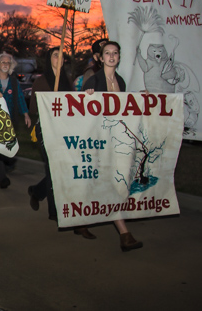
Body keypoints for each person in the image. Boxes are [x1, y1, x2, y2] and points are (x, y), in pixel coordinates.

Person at [82, 41, 143, 251]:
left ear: (119, 57)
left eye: (115, 53)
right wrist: (86, 97)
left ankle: (82, 221)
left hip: (117, 140)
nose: (111, 56)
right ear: (100, 57)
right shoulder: (94, 81)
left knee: (108, 184)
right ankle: (124, 234)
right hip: (99, 141)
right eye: (107, 53)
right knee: (109, 184)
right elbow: (81, 111)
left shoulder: (121, 82)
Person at [26, 47, 74, 227]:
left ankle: (37, 191)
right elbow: (33, 109)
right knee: (53, 168)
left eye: (62, 56)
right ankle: (55, 212)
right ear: (49, 59)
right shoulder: (41, 81)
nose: (59, 58)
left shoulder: (67, 80)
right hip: (46, 130)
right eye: (55, 55)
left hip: (63, 130)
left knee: (61, 168)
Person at [0, 52, 31, 188]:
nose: (5, 65)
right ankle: (2, 177)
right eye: (3, 62)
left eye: (8, 63)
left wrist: (26, 114)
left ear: (11, 66)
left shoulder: (14, 82)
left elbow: (21, 99)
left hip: (8, 122)